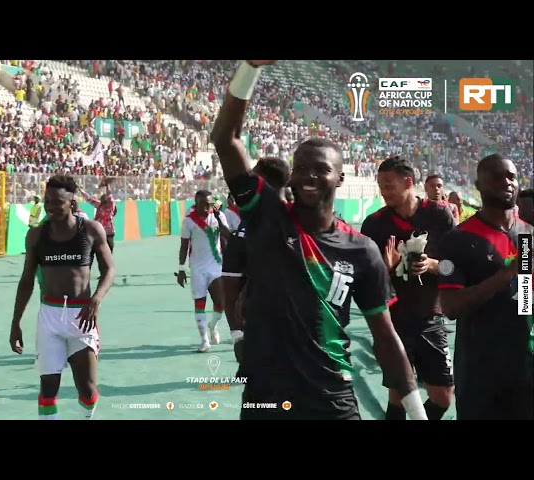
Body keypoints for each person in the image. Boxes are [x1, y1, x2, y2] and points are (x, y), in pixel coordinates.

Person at [211, 60, 426, 420]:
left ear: (340, 178)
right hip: (267, 397)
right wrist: (250, 67)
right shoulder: (267, 217)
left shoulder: (361, 250)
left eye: (322, 169)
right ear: (291, 176)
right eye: (302, 168)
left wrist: (417, 413)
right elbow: (225, 139)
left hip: (332, 399)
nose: (310, 176)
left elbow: (385, 338)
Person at [9, 175, 116, 420]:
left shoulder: (90, 230)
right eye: (47, 201)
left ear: (72, 204)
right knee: (48, 388)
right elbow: (26, 281)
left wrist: (96, 299)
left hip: (82, 318)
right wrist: (15, 323)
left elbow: (109, 269)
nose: (50, 207)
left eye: (57, 202)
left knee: (87, 391)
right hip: (50, 317)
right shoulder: (36, 236)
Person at [438, 154, 533, 420]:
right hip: (480, 375)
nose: (506, 182)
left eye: (511, 177)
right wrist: (505, 276)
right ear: (478, 184)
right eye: (496, 176)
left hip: (524, 370)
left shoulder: (527, 235)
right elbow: (451, 307)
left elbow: (524, 295)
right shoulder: (458, 240)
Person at [361, 157, 456, 421]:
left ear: (408, 183)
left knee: (443, 395)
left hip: (430, 317)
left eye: (389, 185)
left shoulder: (439, 215)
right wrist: (385, 267)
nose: (384, 192)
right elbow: (365, 279)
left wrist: (433, 264)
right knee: (399, 394)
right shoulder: (374, 224)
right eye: (381, 186)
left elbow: (455, 267)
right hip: (393, 321)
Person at [222, 157, 291, 362]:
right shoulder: (244, 234)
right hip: (261, 330)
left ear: (264, 182)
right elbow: (231, 284)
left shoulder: (304, 222)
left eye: (254, 176)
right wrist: (237, 336)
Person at [177, 190, 230, 353]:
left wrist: (220, 219)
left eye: (209, 203)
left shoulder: (219, 215)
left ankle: (213, 326)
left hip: (216, 265)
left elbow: (228, 235)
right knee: (199, 303)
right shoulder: (188, 221)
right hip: (197, 268)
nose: (207, 207)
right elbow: (184, 245)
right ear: (196, 203)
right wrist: (181, 269)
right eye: (203, 204)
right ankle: (204, 340)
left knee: (220, 302)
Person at [80, 180, 117, 253]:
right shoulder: (99, 205)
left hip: (109, 231)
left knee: (109, 249)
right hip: (99, 230)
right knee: (97, 248)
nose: (103, 198)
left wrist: (107, 186)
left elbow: (109, 195)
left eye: (105, 197)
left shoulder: (110, 205)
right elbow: (88, 198)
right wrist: (80, 190)